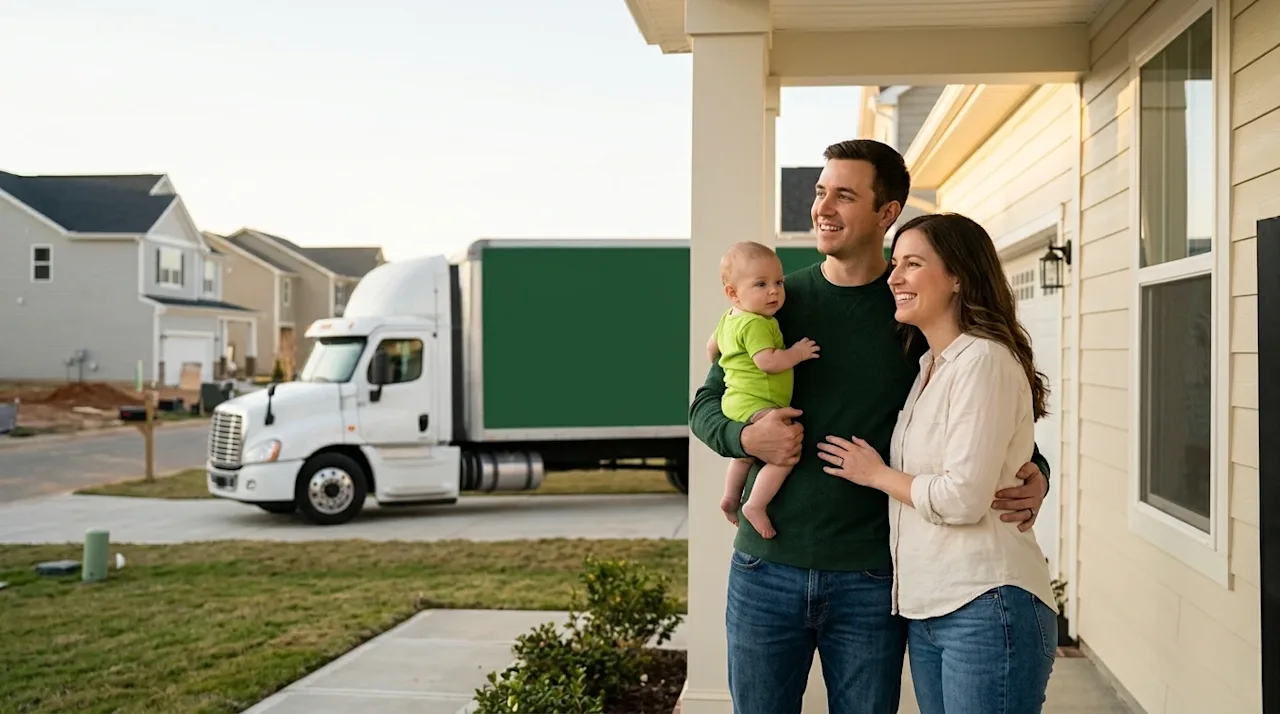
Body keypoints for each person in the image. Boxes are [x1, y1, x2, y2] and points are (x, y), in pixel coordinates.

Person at [687, 138, 1051, 714]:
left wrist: (1037, 472)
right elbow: (706, 406)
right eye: (820, 191)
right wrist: (744, 438)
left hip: (872, 576)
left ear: (888, 212)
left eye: (845, 195)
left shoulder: (916, 305)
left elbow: (981, 417)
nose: (823, 207)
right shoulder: (774, 298)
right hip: (766, 567)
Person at [818, 212, 1058, 713]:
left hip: (987, 602)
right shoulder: (930, 365)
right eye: (895, 264)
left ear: (957, 278)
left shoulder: (983, 361)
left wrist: (875, 474)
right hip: (931, 607)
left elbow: (964, 498)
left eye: (912, 264)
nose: (895, 277)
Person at [707, 240, 820, 539]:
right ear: (733, 293)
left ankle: (731, 496)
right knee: (784, 453)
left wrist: (730, 366)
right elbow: (768, 361)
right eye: (761, 284)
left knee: (744, 456)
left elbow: (711, 349)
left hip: (735, 401)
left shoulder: (728, 318)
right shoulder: (756, 323)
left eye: (778, 282)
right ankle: (755, 504)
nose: (774, 291)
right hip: (757, 402)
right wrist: (797, 353)